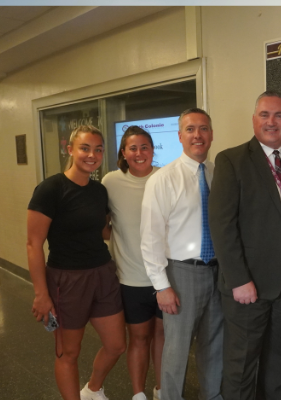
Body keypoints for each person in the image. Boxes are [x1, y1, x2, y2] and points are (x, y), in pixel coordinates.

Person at [209, 91, 281, 400]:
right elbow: (222, 225)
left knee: (280, 363)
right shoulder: (232, 160)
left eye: (279, 115)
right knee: (241, 365)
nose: (272, 122)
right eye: (265, 115)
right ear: (254, 119)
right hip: (249, 283)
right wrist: (239, 279)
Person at [27, 125, 126, 400]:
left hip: (102, 274)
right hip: (66, 279)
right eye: (84, 148)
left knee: (116, 345)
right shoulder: (50, 189)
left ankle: (93, 389)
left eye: (98, 149)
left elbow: (104, 232)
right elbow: (33, 244)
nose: (91, 155)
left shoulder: (99, 190)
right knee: (69, 352)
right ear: (69, 149)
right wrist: (41, 294)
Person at [140, 108, 223, 400]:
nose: (197, 135)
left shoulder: (217, 173)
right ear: (179, 136)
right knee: (176, 348)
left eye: (203, 129)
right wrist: (161, 286)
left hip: (217, 272)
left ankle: (212, 396)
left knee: (215, 344)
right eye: (190, 129)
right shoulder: (163, 179)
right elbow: (149, 237)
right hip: (181, 273)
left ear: (211, 135)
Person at [102, 126, 162, 400]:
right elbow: (102, 226)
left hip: (166, 278)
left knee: (162, 337)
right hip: (131, 279)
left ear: (152, 150)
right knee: (139, 338)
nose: (139, 153)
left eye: (145, 147)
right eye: (132, 148)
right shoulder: (111, 182)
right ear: (123, 153)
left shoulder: (164, 178)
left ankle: (161, 389)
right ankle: (139, 394)